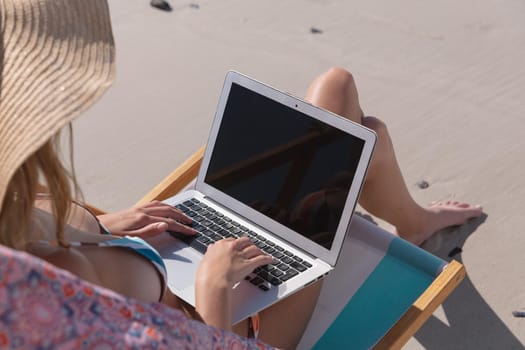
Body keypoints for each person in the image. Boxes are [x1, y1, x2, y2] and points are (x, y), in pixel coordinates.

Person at [0, 0, 482, 349]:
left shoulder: (14, 229)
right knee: (351, 118)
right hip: (232, 329)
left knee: (345, 105)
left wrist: (101, 229)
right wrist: (213, 290)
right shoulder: (37, 305)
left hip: (181, 260)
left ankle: (409, 221)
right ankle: (414, 225)